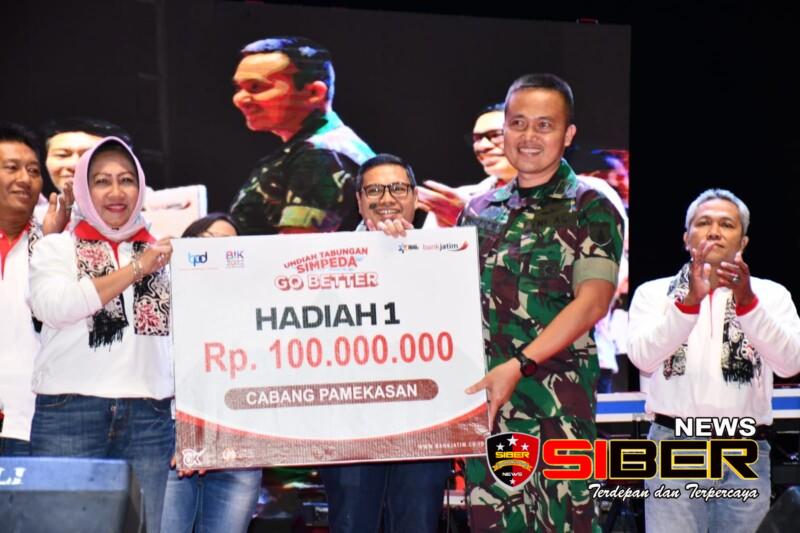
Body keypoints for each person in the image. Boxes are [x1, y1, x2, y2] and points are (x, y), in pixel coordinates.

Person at [460, 73, 624, 531]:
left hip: (558, 409)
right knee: (495, 522)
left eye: (544, 125)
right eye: (518, 123)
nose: (528, 136)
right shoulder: (478, 211)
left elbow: (593, 302)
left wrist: (518, 365)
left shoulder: (590, 205)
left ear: (568, 135)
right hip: (492, 410)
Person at [627, 189, 800, 533]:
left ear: (743, 242)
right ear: (686, 237)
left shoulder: (771, 295)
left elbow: (790, 363)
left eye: (727, 224)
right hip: (674, 445)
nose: (715, 231)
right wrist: (688, 304)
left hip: (744, 449)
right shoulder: (654, 293)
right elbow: (643, 358)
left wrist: (748, 303)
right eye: (704, 223)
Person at [28, 137, 174, 533]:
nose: (116, 192)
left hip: (149, 417)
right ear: (83, 189)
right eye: (102, 181)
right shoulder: (56, 248)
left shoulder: (163, 254)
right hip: (70, 411)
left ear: (140, 188)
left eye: (126, 180)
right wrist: (137, 269)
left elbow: (181, 342)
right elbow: (55, 307)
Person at [319, 154, 452, 533]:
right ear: (359, 200)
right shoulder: (325, 259)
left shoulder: (444, 256)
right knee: (351, 524)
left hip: (424, 421)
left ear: (415, 197)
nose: (387, 198)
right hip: (350, 424)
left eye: (397, 188)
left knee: (417, 524)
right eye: (375, 190)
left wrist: (406, 254)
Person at [160, 212, 262, 533]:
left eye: (228, 245)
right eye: (208, 242)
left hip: (239, 443)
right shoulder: (161, 299)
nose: (217, 251)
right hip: (174, 438)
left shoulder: (257, 310)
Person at [229, 36, 374, 235]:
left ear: (314, 93)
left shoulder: (321, 156)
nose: (239, 99)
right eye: (239, 88)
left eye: (256, 87)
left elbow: (299, 250)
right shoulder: (315, 150)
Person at [0, 123, 45, 456]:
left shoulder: (56, 246)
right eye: (11, 168)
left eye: (33, 171)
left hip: (32, 424)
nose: (24, 179)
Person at [418, 103, 516, 228]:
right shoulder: (452, 202)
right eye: (477, 138)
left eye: (496, 135)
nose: (482, 146)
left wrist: (469, 218)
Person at [35, 117, 133, 231]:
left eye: (88, 155)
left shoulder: (146, 211)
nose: (74, 165)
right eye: (62, 155)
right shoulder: (34, 218)